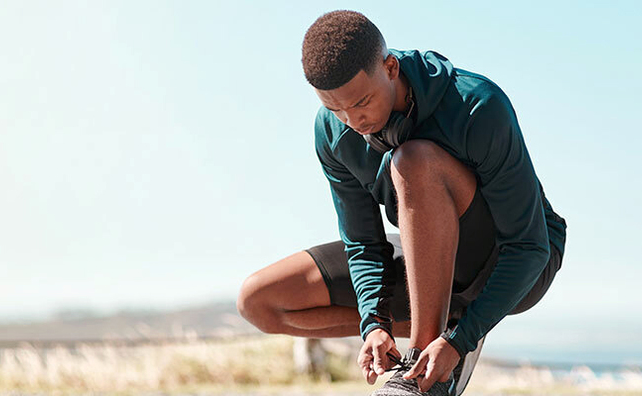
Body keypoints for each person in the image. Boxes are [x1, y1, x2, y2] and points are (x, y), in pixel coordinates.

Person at [238, 10, 567, 395]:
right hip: (426, 256)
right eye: (335, 108)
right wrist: (373, 323)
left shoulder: (477, 104)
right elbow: (363, 242)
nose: (352, 121)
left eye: (361, 102)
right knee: (260, 300)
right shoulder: (332, 132)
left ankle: (424, 372)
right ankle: (438, 330)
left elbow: (529, 246)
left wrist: (461, 341)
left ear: (390, 67)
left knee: (412, 161)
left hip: (513, 260)